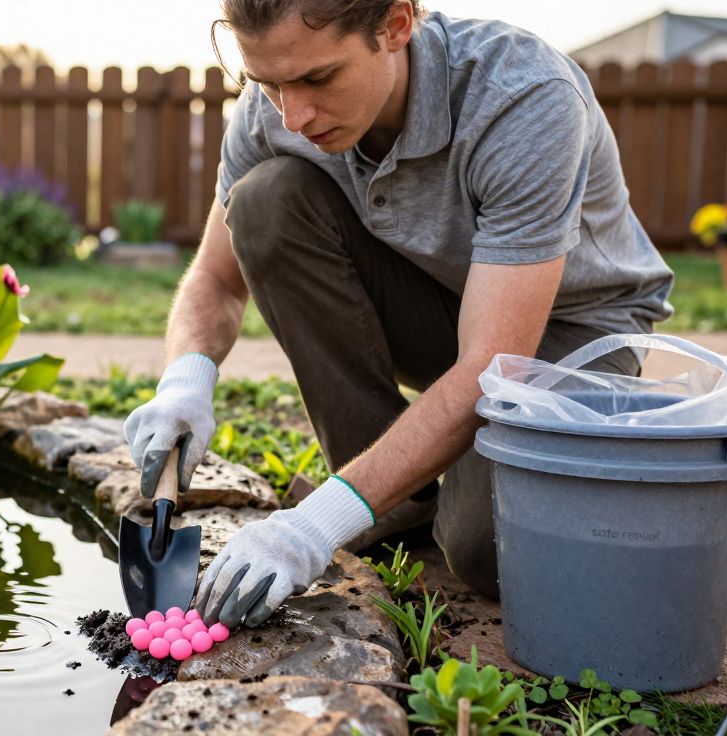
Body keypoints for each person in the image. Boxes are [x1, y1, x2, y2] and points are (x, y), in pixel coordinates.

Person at [122, 0, 673, 629]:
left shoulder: (522, 98)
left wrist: (311, 526)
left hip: (570, 334)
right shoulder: (271, 111)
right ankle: (390, 502)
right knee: (265, 201)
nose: (293, 115)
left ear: (396, 26)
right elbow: (216, 280)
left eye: (319, 79)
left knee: (484, 550)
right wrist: (184, 382)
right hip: (442, 303)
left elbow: (491, 368)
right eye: (269, 83)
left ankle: (366, 498)